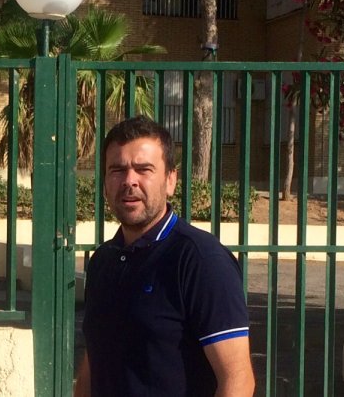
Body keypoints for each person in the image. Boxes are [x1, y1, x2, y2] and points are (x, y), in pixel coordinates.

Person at [75, 116, 254, 397]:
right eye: (117, 170)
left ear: (170, 180)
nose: (129, 181)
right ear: (105, 182)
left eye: (143, 169)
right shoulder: (103, 261)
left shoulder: (199, 260)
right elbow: (93, 362)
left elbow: (238, 380)